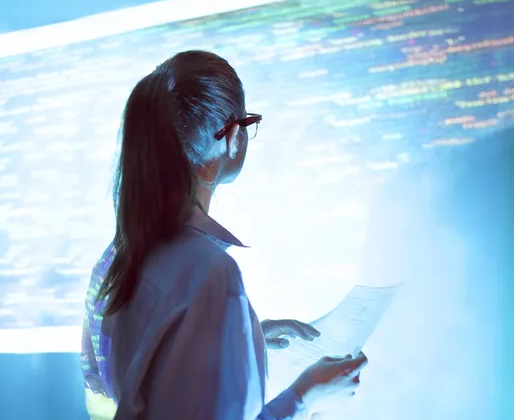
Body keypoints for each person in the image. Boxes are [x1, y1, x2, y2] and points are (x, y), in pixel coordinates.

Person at [81, 50, 368, 420]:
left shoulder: (113, 261)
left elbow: (136, 381)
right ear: (233, 137)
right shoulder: (211, 275)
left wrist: (243, 341)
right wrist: (307, 394)